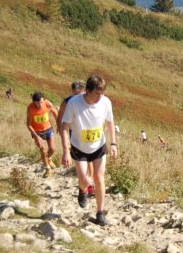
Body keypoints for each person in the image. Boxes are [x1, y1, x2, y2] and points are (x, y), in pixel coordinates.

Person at [60, 75, 117, 226]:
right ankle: (82, 189)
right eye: (97, 93)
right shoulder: (74, 103)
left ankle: (100, 213)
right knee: (85, 180)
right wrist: (66, 150)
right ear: (88, 91)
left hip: (98, 145)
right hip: (79, 147)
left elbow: (110, 122)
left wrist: (113, 143)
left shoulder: (105, 102)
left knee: (99, 177)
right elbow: (65, 126)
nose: (100, 97)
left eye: (102, 93)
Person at [57, 80, 95, 197]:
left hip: (88, 132)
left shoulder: (90, 100)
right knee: (81, 160)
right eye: (74, 93)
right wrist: (61, 130)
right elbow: (60, 116)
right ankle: (84, 183)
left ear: (85, 91)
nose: (76, 96)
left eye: (79, 93)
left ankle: (90, 184)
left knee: (90, 159)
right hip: (74, 133)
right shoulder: (68, 101)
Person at [26, 91, 58, 178]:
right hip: (37, 132)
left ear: (44, 100)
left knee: (52, 149)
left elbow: (55, 112)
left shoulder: (47, 103)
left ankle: (49, 159)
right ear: (34, 102)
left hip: (48, 129)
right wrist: (36, 137)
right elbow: (28, 124)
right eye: (38, 103)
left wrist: (58, 124)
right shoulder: (30, 108)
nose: (40, 105)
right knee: (43, 150)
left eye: (41, 102)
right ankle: (48, 169)